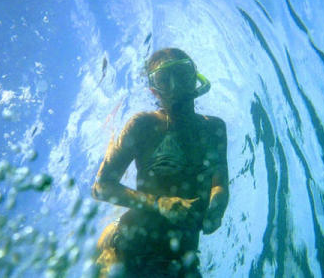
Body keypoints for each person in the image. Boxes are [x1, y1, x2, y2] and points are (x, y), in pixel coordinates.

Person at [92, 48, 229, 278]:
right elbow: (101, 187)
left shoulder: (215, 129)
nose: (175, 87)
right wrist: (160, 203)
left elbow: (220, 182)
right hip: (126, 248)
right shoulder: (143, 125)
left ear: (195, 77)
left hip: (179, 261)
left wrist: (218, 205)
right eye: (164, 80)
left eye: (182, 75)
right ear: (154, 90)